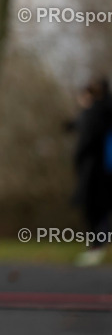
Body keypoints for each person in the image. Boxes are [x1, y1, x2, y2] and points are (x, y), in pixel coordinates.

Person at [71, 76, 112, 267]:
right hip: (105, 167)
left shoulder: (93, 113)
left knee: (95, 209)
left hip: (97, 170)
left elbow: (87, 139)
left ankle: (97, 246)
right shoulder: (104, 110)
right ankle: (99, 244)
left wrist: (77, 159)